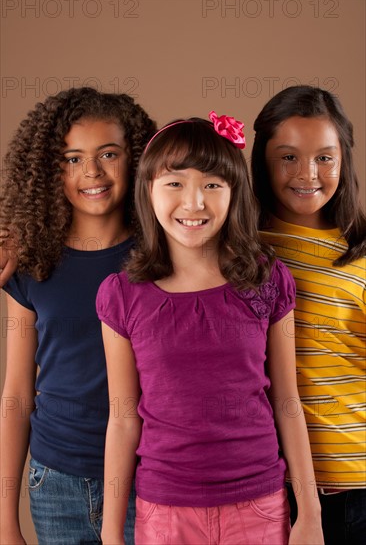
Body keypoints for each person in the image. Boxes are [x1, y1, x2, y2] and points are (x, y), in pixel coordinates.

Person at [96, 112, 324, 545]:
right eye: (175, 183)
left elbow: (287, 399)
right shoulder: (122, 295)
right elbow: (123, 418)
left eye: (213, 185)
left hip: (259, 503)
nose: (194, 202)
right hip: (164, 510)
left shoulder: (268, 280)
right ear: (149, 190)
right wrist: (110, 534)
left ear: (234, 192)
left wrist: (309, 512)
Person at [0, 87, 156, 545]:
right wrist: (7, 524)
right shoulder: (29, 263)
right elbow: (16, 393)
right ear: (50, 171)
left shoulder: (161, 255)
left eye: (109, 153)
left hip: (145, 475)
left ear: (136, 159)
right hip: (55, 481)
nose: (92, 171)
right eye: (72, 158)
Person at [251, 85, 366, 544]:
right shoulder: (237, 247)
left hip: (357, 484)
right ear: (262, 160)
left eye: (324, 157)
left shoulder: (360, 255)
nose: (307, 174)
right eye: (288, 157)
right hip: (268, 485)